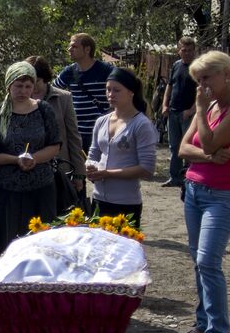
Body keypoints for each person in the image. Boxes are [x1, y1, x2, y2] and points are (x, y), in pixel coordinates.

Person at [174, 51, 230, 333]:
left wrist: (200, 111)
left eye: (206, 77)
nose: (202, 84)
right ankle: (203, 322)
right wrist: (208, 156)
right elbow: (184, 148)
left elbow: (205, 141)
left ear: (226, 74)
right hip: (194, 189)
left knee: (208, 260)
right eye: (198, 79)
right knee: (198, 260)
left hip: (224, 194)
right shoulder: (208, 106)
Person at [0, 62, 62, 262]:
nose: (23, 91)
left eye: (28, 86)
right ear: (8, 85)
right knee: (8, 244)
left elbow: (55, 144)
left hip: (41, 187)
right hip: (7, 189)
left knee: (41, 242)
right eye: (18, 86)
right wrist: (16, 160)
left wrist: (34, 158)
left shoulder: (44, 110)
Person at [85, 68, 159, 225]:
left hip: (125, 203)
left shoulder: (141, 124)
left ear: (131, 92)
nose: (111, 94)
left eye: (117, 90)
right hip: (98, 200)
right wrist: (90, 167)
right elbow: (93, 154)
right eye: (108, 89)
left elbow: (147, 169)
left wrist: (108, 174)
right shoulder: (102, 121)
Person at [27, 55, 85, 208]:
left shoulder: (63, 98)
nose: (32, 86)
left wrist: (79, 173)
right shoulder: (20, 98)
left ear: (45, 78)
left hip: (59, 169)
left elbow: (73, 137)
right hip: (29, 169)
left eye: (36, 81)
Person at [53, 32, 112, 153]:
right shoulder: (69, 72)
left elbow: (125, 86)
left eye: (74, 46)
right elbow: (51, 91)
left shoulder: (105, 70)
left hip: (102, 132)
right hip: (77, 134)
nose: (69, 49)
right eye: (70, 46)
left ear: (87, 49)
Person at [160, 36, 198, 188]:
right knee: (174, 146)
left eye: (190, 51)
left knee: (188, 146)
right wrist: (164, 105)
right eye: (184, 50)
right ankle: (174, 177)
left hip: (188, 113)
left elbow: (202, 91)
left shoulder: (197, 68)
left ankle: (189, 178)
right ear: (179, 51)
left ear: (194, 51)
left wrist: (191, 110)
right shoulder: (176, 65)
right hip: (173, 112)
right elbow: (170, 86)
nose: (187, 53)